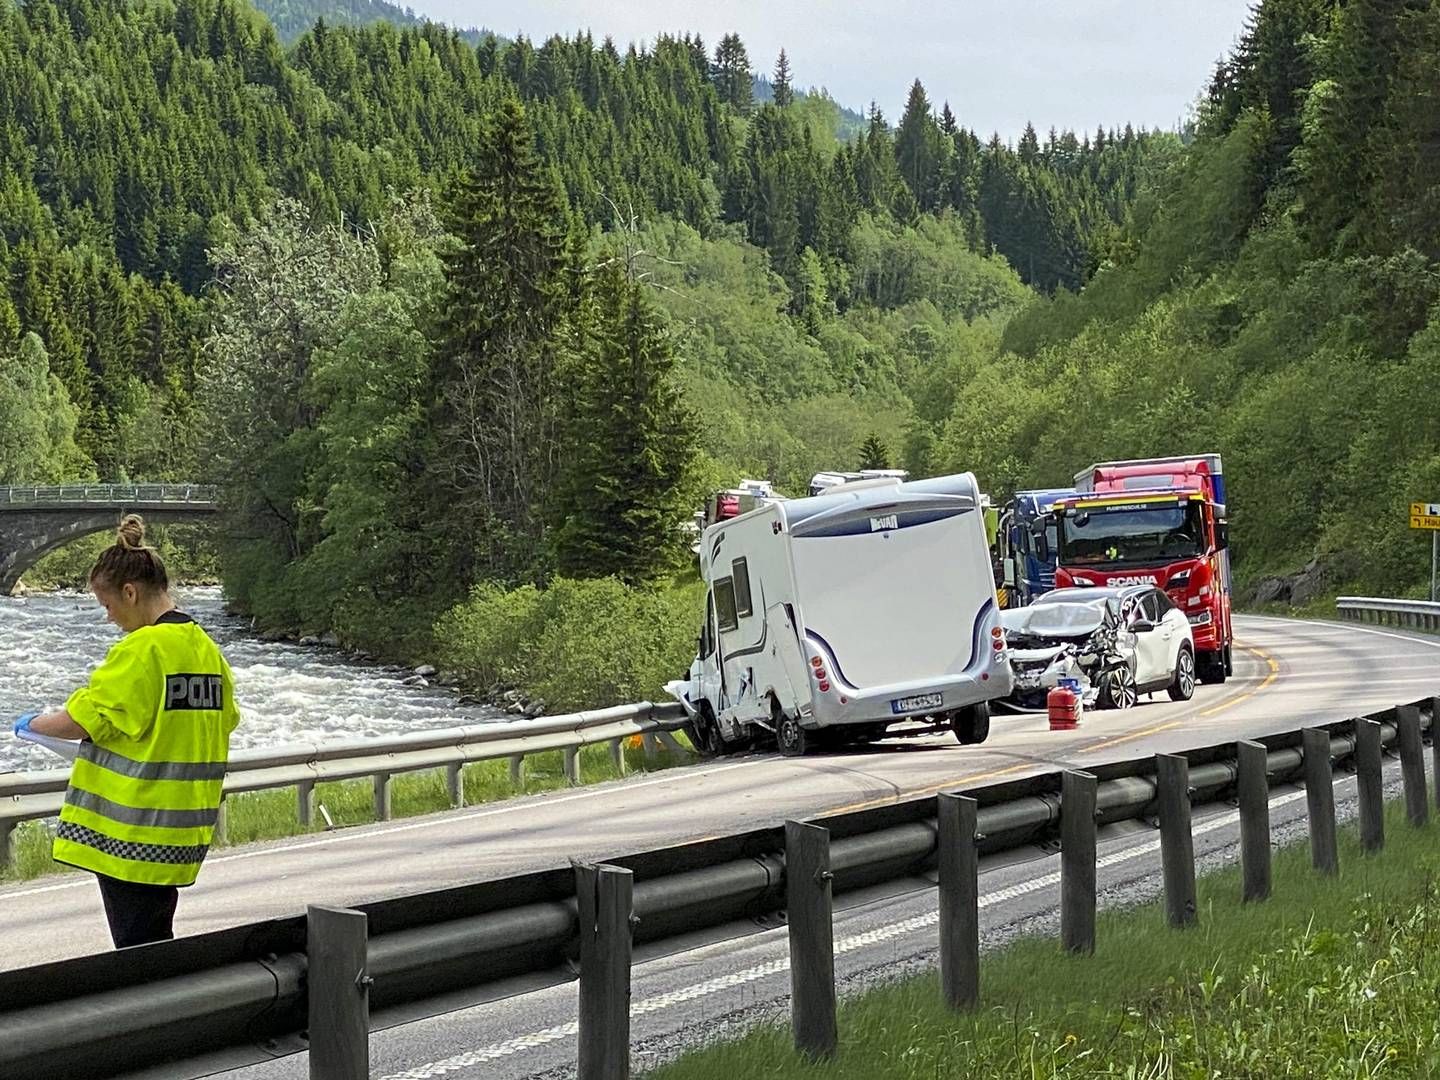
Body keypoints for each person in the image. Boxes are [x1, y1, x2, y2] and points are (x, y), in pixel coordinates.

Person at [11, 514, 241, 949]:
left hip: (131, 833)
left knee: (138, 952)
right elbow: (221, 721)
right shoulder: (206, 650)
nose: (109, 617)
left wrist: (32, 724)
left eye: (108, 605)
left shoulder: (142, 650)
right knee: (155, 939)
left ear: (130, 593)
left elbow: (84, 718)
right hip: (180, 834)